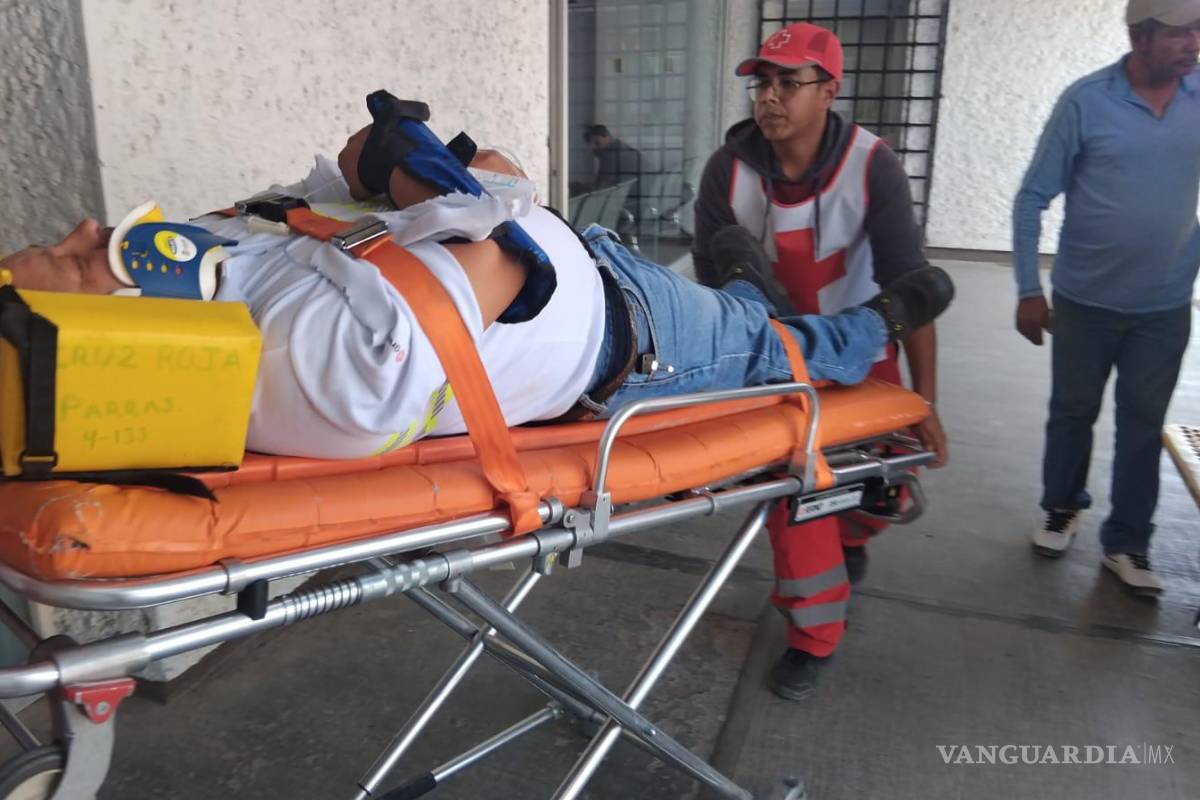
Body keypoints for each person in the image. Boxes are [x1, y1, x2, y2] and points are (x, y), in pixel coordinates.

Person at [0, 97, 952, 462]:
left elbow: (326, 193)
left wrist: (373, 168)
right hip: (632, 336)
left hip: (600, 267)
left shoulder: (214, 278)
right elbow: (504, 249)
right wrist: (411, 169)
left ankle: (746, 285)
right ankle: (882, 315)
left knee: (742, 307)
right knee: (791, 350)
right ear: (94, 346)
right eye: (75, 257)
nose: (93, 227)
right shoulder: (306, 367)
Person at [690, 21, 948, 702]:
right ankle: (813, 638)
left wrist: (926, 403)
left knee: (870, 489)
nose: (768, 97)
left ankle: (856, 527)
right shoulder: (729, 172)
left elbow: (911, 291)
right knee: (795, 493)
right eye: (762, 82)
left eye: (788, 82)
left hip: (865, 356)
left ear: (829, 90)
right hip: (775, 362)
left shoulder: (872, 167)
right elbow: (716, 296)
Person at [1013, 0, 1200, 596]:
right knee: (1073, 411)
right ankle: (1061, 507)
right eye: (1180, 33)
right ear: (1141, 35)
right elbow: (1031, 198)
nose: (1194, 43)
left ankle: (1128, 544)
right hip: (1085, 302)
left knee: (1144, 424)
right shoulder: (1087, 101)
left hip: (1164, 307)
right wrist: (1026, 289)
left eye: (1199, 31)